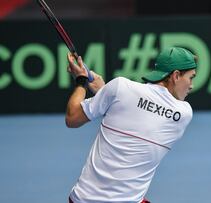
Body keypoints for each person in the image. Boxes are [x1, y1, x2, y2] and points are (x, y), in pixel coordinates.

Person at [65, 47, 197, 203]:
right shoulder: (183, 113)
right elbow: (139, 113)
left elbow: (72, 118)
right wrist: (104, 90)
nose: (191, 85)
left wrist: (82, 81)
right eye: (190, 78)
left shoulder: (120, 87)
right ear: (176, 75)